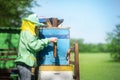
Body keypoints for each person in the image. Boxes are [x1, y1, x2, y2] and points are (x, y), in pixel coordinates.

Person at [15, 14, 58, 80]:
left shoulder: (25, 32)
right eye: (35, 25)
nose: (36, 27)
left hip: (23, 63)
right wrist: (49, 40)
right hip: (25, 63)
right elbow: (34, 46)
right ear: (31, 24)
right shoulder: (28, 33)